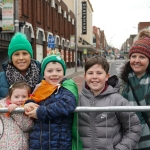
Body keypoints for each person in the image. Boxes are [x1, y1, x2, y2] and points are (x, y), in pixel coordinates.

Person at [78, 56, 142, 150]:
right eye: (90, 73)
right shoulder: (77, 99)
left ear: (107, 76)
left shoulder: (118, 100)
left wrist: (121, 148)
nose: (94, 77)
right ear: (85, 76)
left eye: (99, 73)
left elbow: (134, 128)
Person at [24, 50, 82, 150]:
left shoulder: (67, 87)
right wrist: (29, 103)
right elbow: (33, 98)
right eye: (50, 71)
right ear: (44, 74)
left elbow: (67, 105)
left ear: (64, 72)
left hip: (60, 142)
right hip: (38, 141)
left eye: (58, 70)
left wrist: (40, 112)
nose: (54, 74)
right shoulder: (40, 87)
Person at [120, 28, 150, 150]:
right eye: (133, 56)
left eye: (142, 57)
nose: (136, 60)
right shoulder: (120, 81)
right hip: (124, 137)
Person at [0, 32, 41, 99]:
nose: (21, 58)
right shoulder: (1, 78)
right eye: (16, 54)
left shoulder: (43, 76)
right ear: (11, 58)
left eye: (24, 53)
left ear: (30, 56)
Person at [0, 81, 34, 149]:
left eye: (24, 96)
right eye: (16, 97)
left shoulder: (28, 109)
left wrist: (15, 112)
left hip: (19, 146)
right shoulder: (2, 107)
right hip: (2, 144)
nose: (20, 99)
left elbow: (27, 127)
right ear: (10, 98)